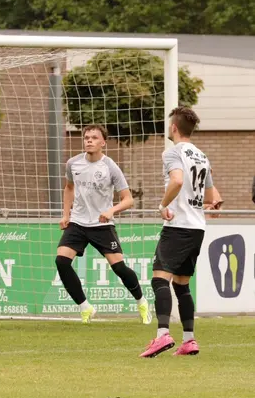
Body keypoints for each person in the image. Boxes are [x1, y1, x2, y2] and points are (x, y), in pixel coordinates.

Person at [140, 107, 222, 358]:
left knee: (159, 279)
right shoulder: (202, 156)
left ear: (174, 127)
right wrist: (200, 202)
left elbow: (176, 180)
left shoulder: (172, 152)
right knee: (182, 285)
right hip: (197, 227)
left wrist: (163, 205)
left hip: (178, 226)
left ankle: (163, 334)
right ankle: (189, 340)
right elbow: (213, 197)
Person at [56, 125, 150, 324]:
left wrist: (110, 211)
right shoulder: (73, 163)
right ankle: (85, 307)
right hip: (78, 222)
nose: (89, 140)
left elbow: (128, 199)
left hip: (102, 224)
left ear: (102, 143)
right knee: (61, 261)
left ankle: (142, 301)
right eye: (86, 137)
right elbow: (69, 188)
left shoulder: (110, 167)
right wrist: (66, 215)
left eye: (94, 138)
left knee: (119, 268)